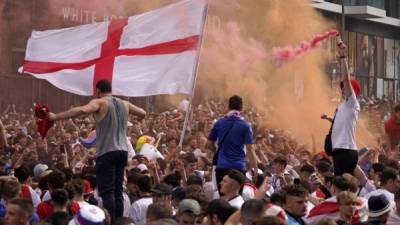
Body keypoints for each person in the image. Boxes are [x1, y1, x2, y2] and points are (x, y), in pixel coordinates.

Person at [48, 79, 146, 221]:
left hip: (107, 152)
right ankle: (118, 221)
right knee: (118, 192)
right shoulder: (125, 103)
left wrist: (56, 117)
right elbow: (143, 113)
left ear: (98, 91)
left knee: (107, 193)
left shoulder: (100, 102)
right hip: (123, 152)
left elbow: (82, 110)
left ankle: (110, 221)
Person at [207, 95, 254, 193]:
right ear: (241, 107)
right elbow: (250, 149)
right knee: (236, 197)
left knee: (223, 199)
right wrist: (255, 168)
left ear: (228, 106)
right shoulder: (246, 125)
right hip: (238, 167)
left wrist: (216, 152)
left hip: (222, 166)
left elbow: (209, 144)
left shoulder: (219, 123)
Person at [329, 40, 362, 177]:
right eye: (342, 88)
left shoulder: (352, 102)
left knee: (344, 188)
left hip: (346, 150)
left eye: (346, 88)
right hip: (340, 150)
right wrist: (331, 119)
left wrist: (343, 56)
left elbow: (346, 78)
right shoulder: (343, 106)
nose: (343, 89)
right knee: (342, 186)